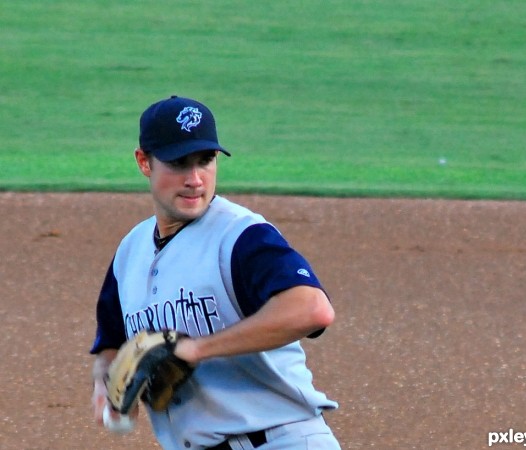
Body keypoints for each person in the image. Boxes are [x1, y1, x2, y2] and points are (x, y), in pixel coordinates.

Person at [90, 95, 342, 450]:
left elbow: (312, 309)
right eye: (178, 162)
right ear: (144, 162)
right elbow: (111, 345)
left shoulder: (241, 235)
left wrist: (196, 350)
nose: (195, 179)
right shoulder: (129, 253)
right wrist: (108, 385)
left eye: (205, 161)